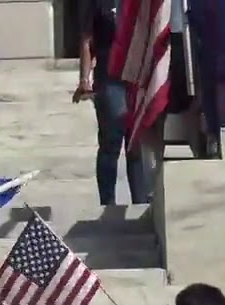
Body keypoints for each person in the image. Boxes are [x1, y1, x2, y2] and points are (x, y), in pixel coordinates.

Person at [74, 0, 149, 206]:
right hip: (109, 77)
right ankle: (108, 204)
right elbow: (87, 41)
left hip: (137, 77)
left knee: (136, 143)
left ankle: (141, 203)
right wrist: (84, 80)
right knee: (111, 141)